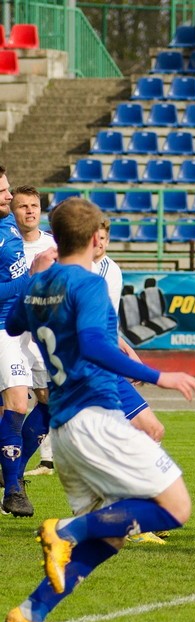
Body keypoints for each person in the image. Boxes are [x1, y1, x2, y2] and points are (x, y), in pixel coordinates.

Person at [3, 198, 195, 622]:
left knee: (111, 535)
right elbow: (94, 344)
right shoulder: (88, 284)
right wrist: (159, 376)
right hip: (95, 418)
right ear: (96, 239)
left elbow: (14, 324)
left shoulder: (42, 283)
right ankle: (65, 531)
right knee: (175, 507)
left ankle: (30, 614)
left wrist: (34, 275)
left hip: (67, 431)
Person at [9, 187, 55, 489]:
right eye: (22, 206)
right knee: (11, 405)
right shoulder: (7, 243)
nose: (29, 211)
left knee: (48, 400)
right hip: (9, 332)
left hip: (39, 337)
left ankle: (14, 470)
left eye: (34, 205)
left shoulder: (53, 245)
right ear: (13, 211)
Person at [0, 166, 34, 518]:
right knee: (17, 403)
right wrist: (30, 281)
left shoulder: (9, 223)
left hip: (27, 325)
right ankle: (13, 490)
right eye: (3, 192)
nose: (9, 197)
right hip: (2, 329)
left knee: (54, 397)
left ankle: (11, 467)